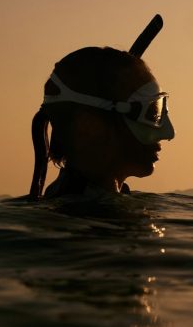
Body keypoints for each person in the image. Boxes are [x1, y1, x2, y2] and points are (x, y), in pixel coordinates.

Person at [29, 16, 174, 199]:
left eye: (162, 110)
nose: (169, 133)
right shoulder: (84, 214)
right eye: (152, 113)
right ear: (89, 125)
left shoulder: (85, 200)